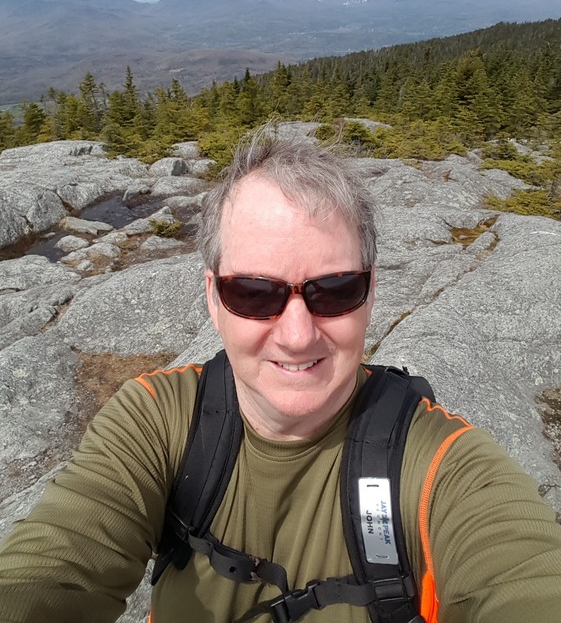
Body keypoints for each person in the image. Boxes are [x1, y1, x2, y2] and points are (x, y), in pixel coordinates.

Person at [0, 128, 560, 623]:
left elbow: (523, 575)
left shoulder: (439, 466)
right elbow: (51, 570)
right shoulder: (156, 421)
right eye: (253, 292)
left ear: (369, 294)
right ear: (213, 299)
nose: (297, 334)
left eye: (335, 289)